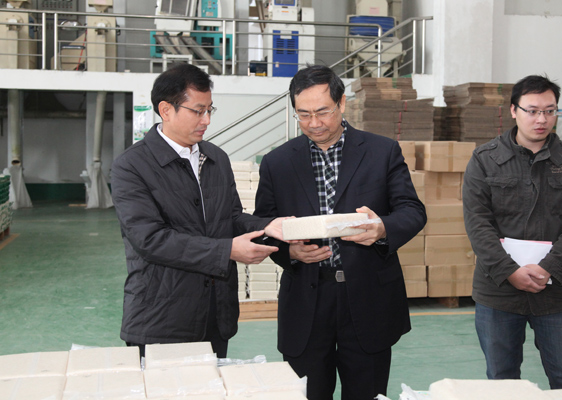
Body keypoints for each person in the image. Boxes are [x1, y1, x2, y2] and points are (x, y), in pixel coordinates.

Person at [254, 64, 427, 400]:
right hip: (306, 298)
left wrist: (381, 229)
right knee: (307, 393)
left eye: (323, 112)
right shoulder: (278, 163)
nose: (314, 123)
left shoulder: (381, 152)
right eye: (303, 115)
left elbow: (412, 211)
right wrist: (289, 251)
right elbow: (264, 224)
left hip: (368, 296)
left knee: (366, 392)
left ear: (342, 103)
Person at [111, 63, 286, 358]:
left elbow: (230, 217)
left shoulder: (216, 158)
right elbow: (150, 240)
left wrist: (267, 227)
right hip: (161, 318)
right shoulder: (132, 166)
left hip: (215, 315)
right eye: (198, 111)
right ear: (166, 110)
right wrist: (228, 250)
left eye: (209, 110)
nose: (206, 120)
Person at [462, 74, 562, 389]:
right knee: (502, 382)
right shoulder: (485, 159)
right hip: (498, 290)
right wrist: (509, 271)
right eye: (532, 111)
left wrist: (548, 268)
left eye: (549, 111)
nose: (541, 119)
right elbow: (477, 222)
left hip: (557, 290)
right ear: (513, 110)